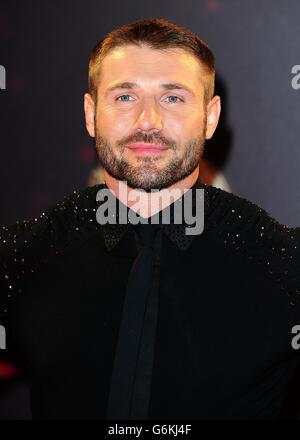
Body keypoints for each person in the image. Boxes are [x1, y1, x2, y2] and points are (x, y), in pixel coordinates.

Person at [0, 18, 299, 420]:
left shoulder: (281, 265)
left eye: (172, 98)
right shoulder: (25, 258)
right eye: (125, 97)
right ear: (91, 113)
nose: (147, 121)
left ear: (210, 118)